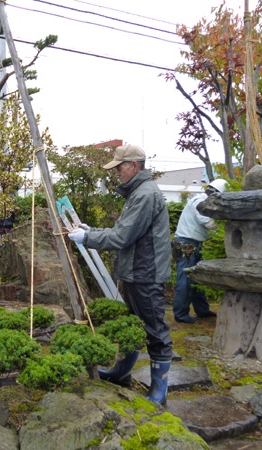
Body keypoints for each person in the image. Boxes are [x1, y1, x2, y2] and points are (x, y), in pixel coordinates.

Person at [67, 144, 173, 406]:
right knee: (134, 325)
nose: (116, 172)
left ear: (134, 166)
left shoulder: (145, 194)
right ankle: (121, 372)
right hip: (138, 270)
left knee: (154, 329)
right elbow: (127, 229)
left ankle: (159, 390)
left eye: (119, 167)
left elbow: (123, 236)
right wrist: (93, 230)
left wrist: (88, 237)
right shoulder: (139, 192)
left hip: (145, 273)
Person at [172, 179, 227, 323]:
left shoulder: (203, 200)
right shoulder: (199, 201)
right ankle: (180, 315)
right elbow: (209, 223)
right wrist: (226, 222)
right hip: (186, 244)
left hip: (194, 243)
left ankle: (202, 310)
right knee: (185, 280)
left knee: (198, 278)